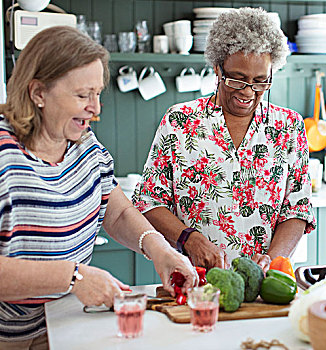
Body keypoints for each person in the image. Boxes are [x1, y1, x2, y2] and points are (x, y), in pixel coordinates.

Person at [0, 26, 198, 348]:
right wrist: (73, 277)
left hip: (69, 325)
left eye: (98, 93)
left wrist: (159, 249)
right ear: (38, 93)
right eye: (82, 95)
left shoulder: (83, 143)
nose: (97, 108)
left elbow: (116, 211)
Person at [133, 7, 315, 272]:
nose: (248, 92)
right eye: (237, 79)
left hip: (267, 285)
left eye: (260, 81)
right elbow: (149, 201)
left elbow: (297, 209)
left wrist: (272, 260)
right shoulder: (179, 122)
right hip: (195, 278)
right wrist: (189, 239)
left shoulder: (288, 126)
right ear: (218, 69)